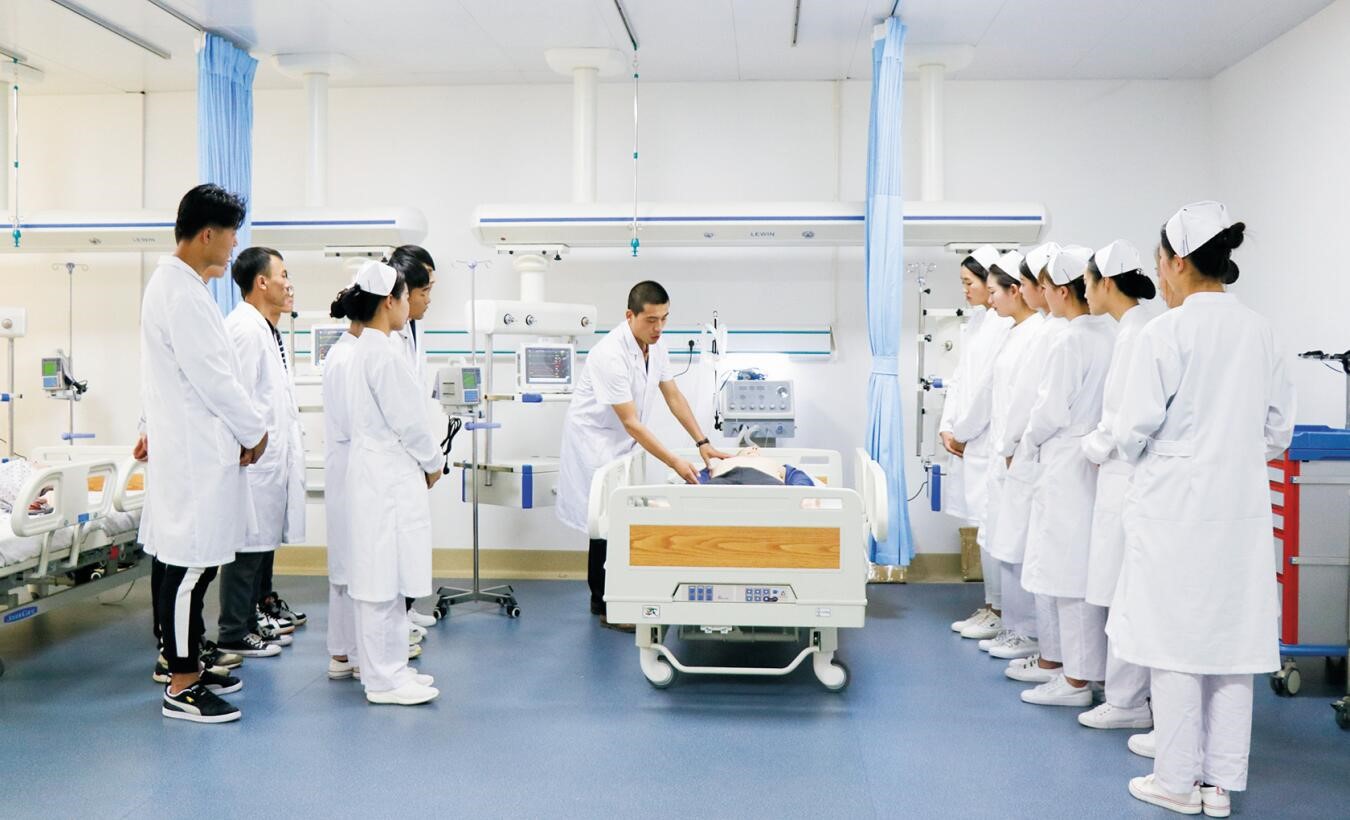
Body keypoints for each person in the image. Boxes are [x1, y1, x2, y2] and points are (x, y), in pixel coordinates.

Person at [1109, 203, 1295, 816]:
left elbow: (1132, 429)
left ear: (1179, 262)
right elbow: (1278, 432)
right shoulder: (1261, 330)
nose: (1159, 273)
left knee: (1175, 643)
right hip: (1240, 507)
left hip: (1175, 509)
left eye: (1160, 260)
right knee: (1231, 644)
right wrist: (1228, 454)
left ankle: (1175, 781)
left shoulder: (1167, 332)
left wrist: (1171, 455)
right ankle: (1220, 784)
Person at [138, 184, 267, 723]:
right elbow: (215, 378)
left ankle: (184, 663)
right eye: (232, 234)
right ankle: (182, 684)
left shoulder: (178, 287)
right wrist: (254, 431)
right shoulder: (182, 294)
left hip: (192, 449)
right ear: (208, 234)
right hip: (194, 455)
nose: (235, 244)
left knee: (188, 564)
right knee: (190, 567)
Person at [557, 280, 731, 631]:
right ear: (630, 316)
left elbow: (673, 395)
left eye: (664, 319)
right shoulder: (609, 355)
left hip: (621, 439)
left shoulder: (656, 345)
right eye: (651, 320)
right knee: (604, 521)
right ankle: (606, 605)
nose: (659, 327)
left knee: (618, 517)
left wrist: (702, 441)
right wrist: (675, 462)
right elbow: (631, 422)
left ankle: (612, 598)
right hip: (596, 440)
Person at [1018, 245, 1116, 708]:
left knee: (1066, 575)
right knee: (1083, 574)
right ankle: (1083, 672)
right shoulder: (1109, 332)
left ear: (1061, 291)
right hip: (1094, 461)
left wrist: (1025, 444)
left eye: (1044, 287)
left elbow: (1049, 411)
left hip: (1067, 460)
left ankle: (1075, 679)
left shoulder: (1070, 340)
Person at [341, 260, 443, 706]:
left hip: (380, 476)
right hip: (386, 479)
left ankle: (392, 668)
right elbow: (411, 422)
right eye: (406, 296)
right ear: (390, 301)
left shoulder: (369, 347)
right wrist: (434, 462)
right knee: (382, 583)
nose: (410, 305)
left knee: (390, 578)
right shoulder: (381, 352)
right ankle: (383, 680)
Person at [1076, 239, 1159, 732]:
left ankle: (1128, 699)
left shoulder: (1136, 335)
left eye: (1087, 283)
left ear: (1106, 282)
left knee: (1123, 589)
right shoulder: (1132, 328)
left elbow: (1123, 419)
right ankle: (1126, 693)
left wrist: (1090, 448)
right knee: (1118, 586)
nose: (1083, 292)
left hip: (1125, 474)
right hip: (1123, 473)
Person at [216, 247, 306, 660]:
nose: (288, 284)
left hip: (266, 459)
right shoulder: (244, 330)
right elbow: (234, 397)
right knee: (245, 551)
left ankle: (250, 623)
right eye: (282, 275)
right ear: (261, 282)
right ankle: (232, 632)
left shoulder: (265, 329)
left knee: (258, 549)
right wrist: (249, 441)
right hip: (251, 460)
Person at [995, 243, 1073, 684]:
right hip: (1045, 456)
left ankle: (1053, 658)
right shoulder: (1056, 331)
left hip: (1043, 455)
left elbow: (1034, 404)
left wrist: (1014, 445)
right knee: (1041, 559)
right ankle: (1054, 656)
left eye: (1027, 283)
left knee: (1043, 561)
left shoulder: (1053, 334)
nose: (1025, 291)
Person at [940, 245, 1013, 641]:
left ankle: (1000, 611)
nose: (965, 290)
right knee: (985, 532)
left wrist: (963, 432)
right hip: (971, 440)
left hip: (984, 441)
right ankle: (991, 606)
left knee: (993, 532)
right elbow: (960, 380)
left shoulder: (1003, 327)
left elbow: (986, 391)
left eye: (970, 283)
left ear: (991, 282)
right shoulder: (978, 323)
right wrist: (946, 427)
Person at [976, 250, 1044, 662]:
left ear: (1016, 290)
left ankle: (1028, 632)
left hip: (1019, 456)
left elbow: (1029, 403)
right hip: (1005, 455)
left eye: (994, 292)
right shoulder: (1014, 333)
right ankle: (1014, 627)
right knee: (1005, 544)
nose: (990, 300)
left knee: (1019, 547)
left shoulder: (1037, 334)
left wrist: (1012, 447)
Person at [387, 245, 439, 632]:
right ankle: (395, 620)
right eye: (424, 290)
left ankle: (404, 611)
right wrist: (431, 461)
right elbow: (402, 412)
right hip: (396, 457)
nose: (428, 298)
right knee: (397, 543)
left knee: (410, 541)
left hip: (409, 455)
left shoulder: (413, 330)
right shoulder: (388, 341)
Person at [322, 279, 364, 681]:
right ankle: (349, 652)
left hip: (351, 468)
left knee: (349, 564)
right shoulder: (349, 357)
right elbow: (357, 423)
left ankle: (344, 651)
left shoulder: (349, 352)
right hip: (353, 470)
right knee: (352, 565)